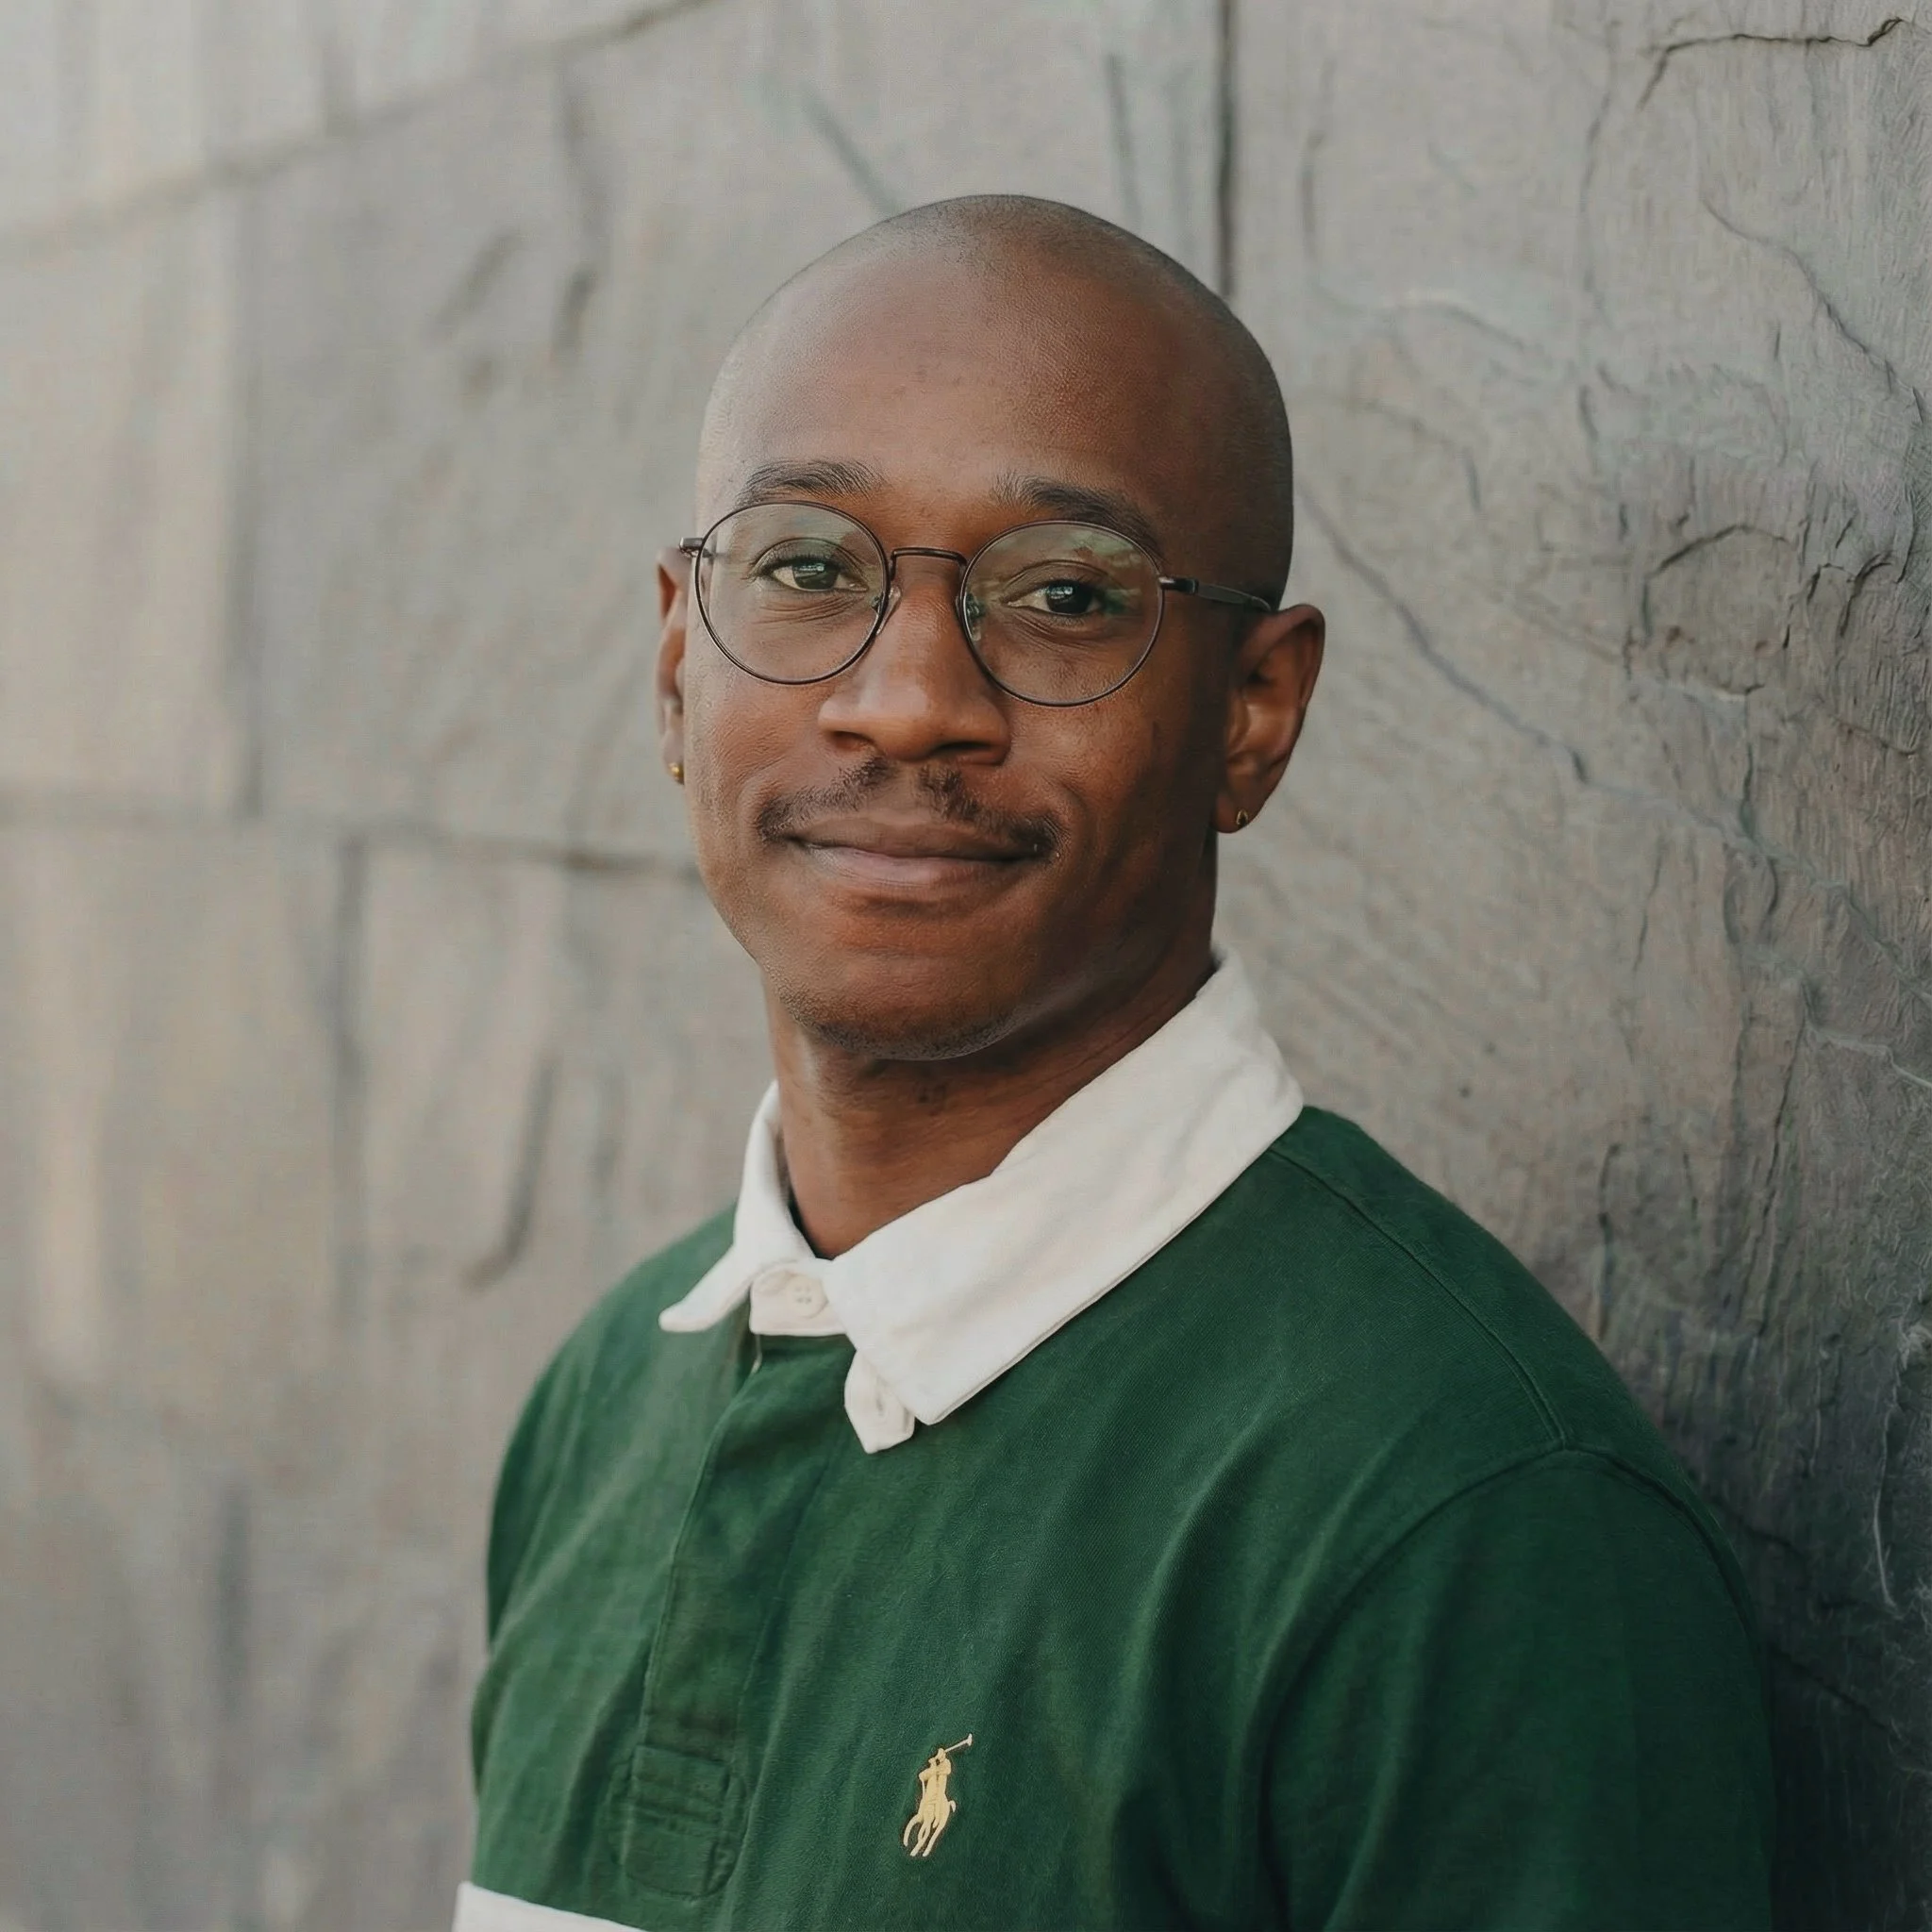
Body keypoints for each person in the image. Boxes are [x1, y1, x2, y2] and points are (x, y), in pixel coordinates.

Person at [456, 195, 1774, 1932]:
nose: (907, 700)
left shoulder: (1463, 1516)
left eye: (1065, 597)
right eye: (808, 569)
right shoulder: (609, 1399)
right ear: (675, 666)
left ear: (1254, 712)